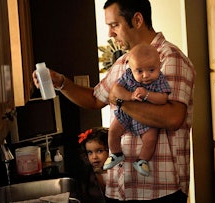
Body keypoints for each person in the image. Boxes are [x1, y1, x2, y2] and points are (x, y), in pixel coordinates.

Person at [32, 0, 195, 202]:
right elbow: (95, 98)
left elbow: (173, 118)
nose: (110, 33)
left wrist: (121, 102)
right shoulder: (123, 63)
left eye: (114, 25)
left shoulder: (170, 58)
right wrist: (62, 83)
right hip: (121, 187)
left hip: (159, 191)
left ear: (137, 20)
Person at [103, 43, 171, 178]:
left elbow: (163, 98)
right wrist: (130, 96)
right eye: (139, 71)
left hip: (148, 119)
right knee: (113, 131)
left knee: (151, 139)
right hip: (126, 114)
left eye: (151, 70)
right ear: (131, 68)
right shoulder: (128, 76)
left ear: (159, 65)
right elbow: (116, 90)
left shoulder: (160, 80)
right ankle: (116, 153)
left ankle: (142, 161)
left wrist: (147, 94)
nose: (146, 75)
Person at [78, 127, 109, 202]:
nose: (94, 157)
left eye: (99, 151)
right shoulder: (87, 175)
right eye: (90, 152)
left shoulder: (118, 172)